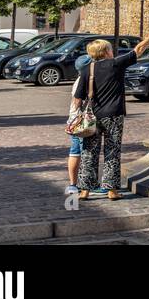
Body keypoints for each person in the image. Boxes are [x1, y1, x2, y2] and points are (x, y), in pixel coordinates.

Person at [71, 29, 149, 200]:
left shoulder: (88, 69)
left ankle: (85, 191)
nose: (113, 51)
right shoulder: (115, 64)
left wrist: (77, 116)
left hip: (92, 117)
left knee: (89, 152)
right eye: (110, 49)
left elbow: (77, 99)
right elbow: (138, 50)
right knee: (112, 151)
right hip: (113, 115)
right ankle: (111, 190)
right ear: (105, 52)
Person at [66, 54, 92, 195]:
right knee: (84, 152)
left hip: (74, 120)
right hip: (82, 123)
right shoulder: (85, 80)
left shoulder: (78, 79)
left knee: (75, 152)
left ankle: (73, 184)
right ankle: (84, 184)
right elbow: (78, 102)